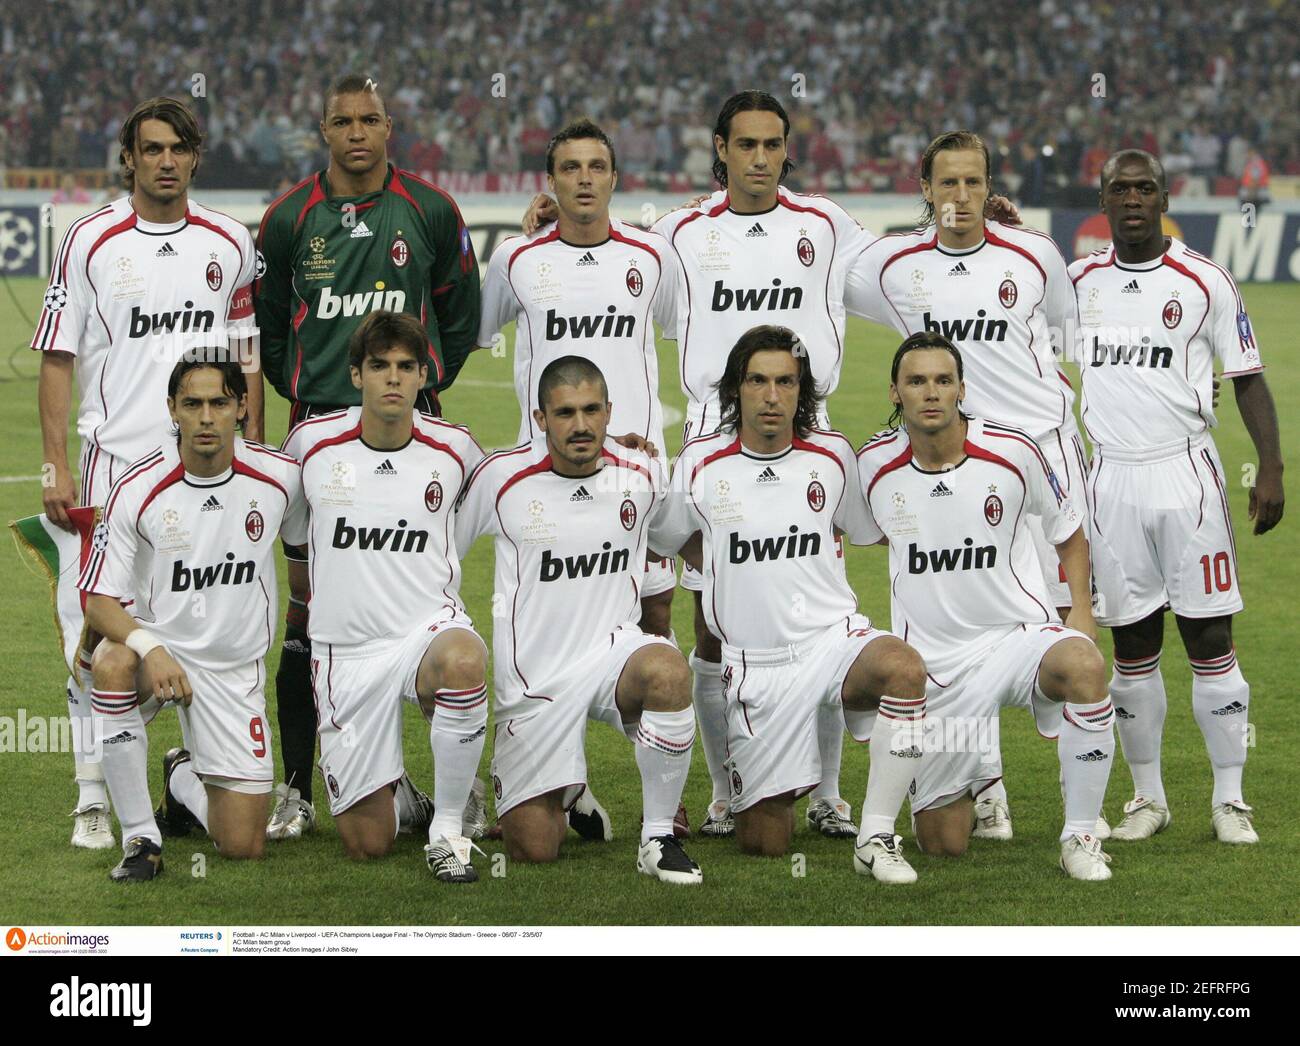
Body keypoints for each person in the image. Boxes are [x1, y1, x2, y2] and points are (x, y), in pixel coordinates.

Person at [255, 73, 482, 840]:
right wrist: (307, 393)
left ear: (391, 127)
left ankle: (431, 781)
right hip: (322, 427)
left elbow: (460, 306)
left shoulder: (431, 209)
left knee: (412, 596)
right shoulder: (288, 219)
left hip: (406, 423)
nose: (357, 132)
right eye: (342, 121)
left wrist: (424, 382)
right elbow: (270, 330)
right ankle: (294, 786)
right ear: (323, 130)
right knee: (308, 606)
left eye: (370, 120)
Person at [32, 96, 259, 851]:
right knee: (93, 636)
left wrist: (251, 452)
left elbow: (246, 360)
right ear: (129, 157)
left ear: (196, 157)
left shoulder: (230, 242)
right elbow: (58, 359)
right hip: (111, 469)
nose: (165, 161)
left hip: (206, 472)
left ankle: (189, 769)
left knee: (205, 618)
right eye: (151, 148)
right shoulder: (88, 240)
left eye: (178, 148)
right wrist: (56, 464)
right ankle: (92, 794)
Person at [844, 130, 1085, 842]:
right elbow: (812, 260)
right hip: (950, 460)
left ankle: (1089, 810)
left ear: (989, 186)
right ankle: (986, 785)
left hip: (1037, 459)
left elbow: (1067, 335)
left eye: (972, 183)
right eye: (946, 183)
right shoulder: (892, 265)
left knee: (1061, 631)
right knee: (963, 620)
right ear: (925, 189)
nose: (959, 197)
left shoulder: (1036, 254)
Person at [652, 325, 929, 883]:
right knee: (765, 843)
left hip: (832, 640)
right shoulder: (701, 463)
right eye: (758, 381)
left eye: (786, 382)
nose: (772, 395)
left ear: (803, 391)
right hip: (758, 666)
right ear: (735, 390)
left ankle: (876, 835)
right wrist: (723, 564)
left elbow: (865, 529)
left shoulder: (832, 455)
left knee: (903, 668)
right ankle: (776, 783)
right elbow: (665, 536)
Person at [476, 118, 684, 840]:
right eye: (571, 167)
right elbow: (476, 329)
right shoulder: (518, 260)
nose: (585, 179)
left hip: (633, 480)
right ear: (552, 180)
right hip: (543, 481)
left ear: (615, 177)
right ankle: (555, 784)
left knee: (652, 624)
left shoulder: (650, 259)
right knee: (540, 631)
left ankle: (668, 796)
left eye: (598, 166)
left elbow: (683, 333)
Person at [1070, 149, 1284, 845]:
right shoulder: (1076, 284)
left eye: (1145, 188)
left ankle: (1229, 800)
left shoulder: (1204, 279)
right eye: (1119, 189)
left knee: (1210, 636)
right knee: (1131, 644)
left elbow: (1246, 375)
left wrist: (1272, 468)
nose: (1132, 199)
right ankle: (1148, 798)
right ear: (1102, 203)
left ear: (1165, 197)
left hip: (1187, 474)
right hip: (1111, 480)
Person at [857, 333, 1116, 880]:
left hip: (1016, 638)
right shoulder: (872, 466)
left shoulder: (1015, 451)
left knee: (1084, 666)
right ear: (895, 392)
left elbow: (1069, 533)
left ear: (962, 390)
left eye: (944, 380)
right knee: (943, 845)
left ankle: (1081, 837)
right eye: (917, 381)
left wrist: (1081, 612)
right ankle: (979, 778)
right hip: (936, 669)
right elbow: (854, 531)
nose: (932, 392)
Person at [454, 356, 702, 883]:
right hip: (535, 686)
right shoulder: (501, 478)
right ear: (540, 418)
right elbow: (441, 549)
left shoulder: (639, 472)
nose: (582, 425)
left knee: (669, 670)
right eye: (565, 413)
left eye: (592, 410)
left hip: (613, 657)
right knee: (533, 849)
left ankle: (657, 837)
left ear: (610, 412)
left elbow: (685, 538)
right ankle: (568, 787)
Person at [280, 311, 488, 881]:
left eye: (405, 367)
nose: (393, 379)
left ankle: (448, 828)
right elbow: (293, 532)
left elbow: (523, 483)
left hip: (424, 631)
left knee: (464, 658)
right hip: (344, 652)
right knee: (367, 842)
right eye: (379, 366)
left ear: (424, 377)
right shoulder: (310, 445)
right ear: (356, 375)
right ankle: (405, 799)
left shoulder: (457, 449)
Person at [77, 355, 302, 880]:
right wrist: (149, 647)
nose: (206, 417)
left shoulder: (279, 480)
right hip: (159, 655)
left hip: (231, 671)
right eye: (193, 404)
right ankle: (141, 839)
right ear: (172, 410)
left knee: (243, 845)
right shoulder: (138, 487)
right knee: (110, 662)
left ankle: (180, 777)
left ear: (242, 408)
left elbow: (306, 549)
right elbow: (98, 601)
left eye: (219, 403)